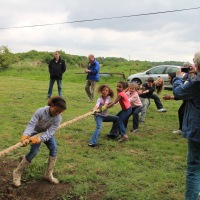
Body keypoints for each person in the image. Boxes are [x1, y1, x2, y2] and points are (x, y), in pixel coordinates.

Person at [13, 96, 67, 187]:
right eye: (56, 110)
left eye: (60, 112)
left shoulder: (58, 118)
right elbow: (31, 124)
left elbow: (50, 133)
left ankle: (48, 174)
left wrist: (39, 139)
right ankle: (17, 173)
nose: (57, 113)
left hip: (46, 134)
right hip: (35, 132)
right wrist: (25, 135)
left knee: (54, 149)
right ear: (52, 105)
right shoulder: (40, 111)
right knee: (34, 152)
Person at [172, 52, 200, 200]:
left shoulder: (196, 83)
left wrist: (178, 77)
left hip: (197, 129)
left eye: (195, 62)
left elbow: (179, 92)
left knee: (194, 168)